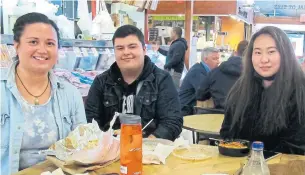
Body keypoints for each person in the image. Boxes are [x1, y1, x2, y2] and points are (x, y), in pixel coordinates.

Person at [0, 13, 87, 174]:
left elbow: (82, 146)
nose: (42, 50)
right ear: (16, 45)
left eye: (50, 43)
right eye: (33, 42)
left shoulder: (70, 94)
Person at [85, 25, 183, 141]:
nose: (126, 52)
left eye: (132, 47)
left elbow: (172, 122)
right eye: (120, 48)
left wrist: (144, 145)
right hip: (109, 153)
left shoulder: (162, 80)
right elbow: (90, 121)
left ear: (144, 49)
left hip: (149, 152)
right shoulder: (101, 82)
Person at [220, 26, 305, 155]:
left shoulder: (300, 90)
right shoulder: (241, 87)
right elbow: (227, 132)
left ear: (285, 54)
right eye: (258, 52)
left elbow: (296, 148)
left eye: (271, 52)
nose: (264, 60)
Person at [197, 40, 249, 109]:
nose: (218, 61)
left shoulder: (214, 72)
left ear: (236, 53)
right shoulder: (254, 75)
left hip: (219, 115)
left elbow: (200, 95)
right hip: (243, 117)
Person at [179, 47, 220, 116]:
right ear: (205, 60)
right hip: (185, 110)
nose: (218, 62)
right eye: (214, 59)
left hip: (194, 109)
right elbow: (205, 93)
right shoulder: (197, 71)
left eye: (218, 58)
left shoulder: (206, 71)